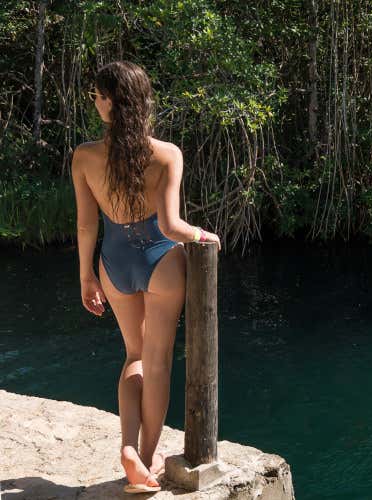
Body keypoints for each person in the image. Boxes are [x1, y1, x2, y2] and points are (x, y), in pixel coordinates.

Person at [71, 60, 221, 493]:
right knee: (157, 362)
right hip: (162, 260)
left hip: (114, 262)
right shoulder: (166, 154)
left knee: (133, 356)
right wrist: (202, 234)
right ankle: (150, 454)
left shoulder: (84, 157)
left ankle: (127, 447)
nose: (95, 102)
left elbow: (86, 226)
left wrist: (87, 277)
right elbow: (173, 226)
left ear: (112, 102)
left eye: (98, 95)